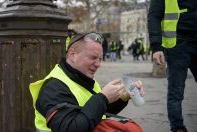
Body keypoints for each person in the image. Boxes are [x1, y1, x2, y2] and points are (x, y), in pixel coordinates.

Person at [29, 32, 145, 132]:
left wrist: (122, 98)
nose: (98, 64)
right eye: (93, 58)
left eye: (100, 59)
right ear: (72, 55)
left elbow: (96, 113)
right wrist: (103, 97)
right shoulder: (53, 88)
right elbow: (71, 128)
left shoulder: (82, 79)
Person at [148, 0, 197, 132]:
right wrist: (156, 47)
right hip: (177, 45)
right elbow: (154, 16)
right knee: (176, 93)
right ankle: (178, 128)